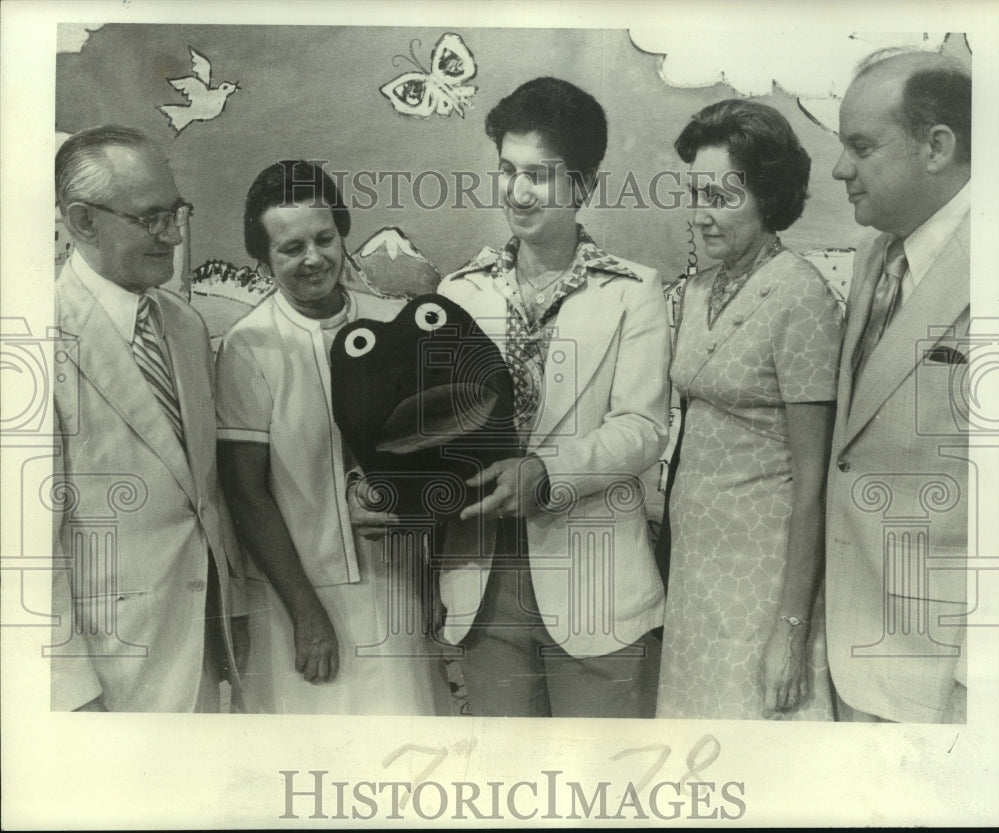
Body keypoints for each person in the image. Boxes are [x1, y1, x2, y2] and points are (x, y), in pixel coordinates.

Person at [435, 77, 670, 718]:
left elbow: (643, 428)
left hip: (596, 586)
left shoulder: (634, 292)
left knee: (596, 787)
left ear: (583, 187)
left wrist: (544, 472)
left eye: (538, 174)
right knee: (508, 790)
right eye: (507, 170)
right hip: (482, 585)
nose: (517, 191)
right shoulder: (459, 293)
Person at [215, 160, 437, 715]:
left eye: (324, 238)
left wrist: (431, 578)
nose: (313, 258)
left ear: (343, 234)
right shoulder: (249, 346)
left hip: (396, 588)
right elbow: (245, 492)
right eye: (291, 248)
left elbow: (432, 459)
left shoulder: (395, 323)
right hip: (300, 594)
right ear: (264, 258)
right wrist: (306, 614)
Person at [655, 100, 843, 720]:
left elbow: (815, 479)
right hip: (695, 573)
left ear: (766, 195)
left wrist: (790, 629)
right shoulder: (699, 288)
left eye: (722, 196)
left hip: (763, 584)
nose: (702, 216)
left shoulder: (801, 295)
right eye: (696, 195)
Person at [51, 125, 247, 712]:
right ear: (83, 222)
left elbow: (201, 497)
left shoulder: (184, 326)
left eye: (178, 211)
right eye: (152, 218)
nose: (175, 235)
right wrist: (71, 697)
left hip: (202, 665)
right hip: (107, 682)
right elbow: (24, 547)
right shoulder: (32, 340)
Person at [826, 50, 971, 723]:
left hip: (945, 681)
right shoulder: (874, 256)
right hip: (853, 659)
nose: (839, 170)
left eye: (860, 146)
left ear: (937, 147)